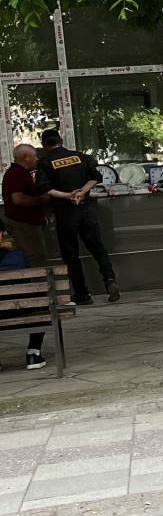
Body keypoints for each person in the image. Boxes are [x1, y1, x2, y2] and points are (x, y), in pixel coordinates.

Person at [34, 128, 120, 306]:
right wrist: (82, 192)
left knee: (71, 254)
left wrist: (68, 195)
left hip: (66, 213)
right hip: (87, 209)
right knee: (97, 248)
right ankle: (110, 280)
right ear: (61, 140)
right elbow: (96, 176)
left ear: (44, 145)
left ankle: (82, 293)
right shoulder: (80, 156)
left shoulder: (45, 162)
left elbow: (43, 188)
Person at [2, 142, 52, 367]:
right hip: (25, 226)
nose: (36, 159)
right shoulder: (15, 174)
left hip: (30, 225)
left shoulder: (22, 173)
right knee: (36, 270)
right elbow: (18, 200)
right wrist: (41, 200)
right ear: (24, 157)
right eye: (33, 156)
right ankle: (34, 351)